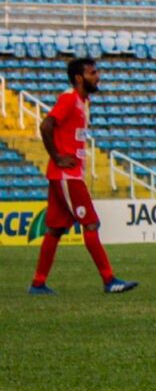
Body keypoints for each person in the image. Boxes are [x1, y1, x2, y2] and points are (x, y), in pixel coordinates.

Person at [28, 57, 138, 296]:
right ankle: (109, 280)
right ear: (79, 78)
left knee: (55, 231)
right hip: (67, 176)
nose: (97, 76)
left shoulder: (82, 101)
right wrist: (57, 157)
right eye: (92, 73)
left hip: (65, 175)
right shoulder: (69, 99)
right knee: (90, 223)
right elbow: (46, 126)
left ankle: (38, 283)